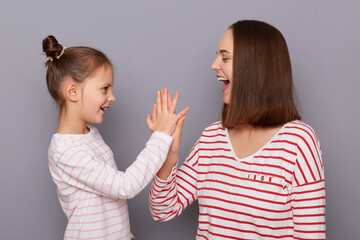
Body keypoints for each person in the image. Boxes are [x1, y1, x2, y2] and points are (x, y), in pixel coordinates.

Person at [149, 20, 326, 239]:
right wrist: (169, 156)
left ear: (255, 67)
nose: (214, 65)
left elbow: (311, 235)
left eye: (225, 58)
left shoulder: (299, 142)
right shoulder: (211, 138)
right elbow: (163, 210)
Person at [44, 35, 189, 239]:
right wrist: (160, 137)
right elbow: (124, 186)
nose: (112, 97)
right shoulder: (64, 151)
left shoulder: (91, 134)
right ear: (72, 92)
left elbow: (108, 201)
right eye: (105, 88)